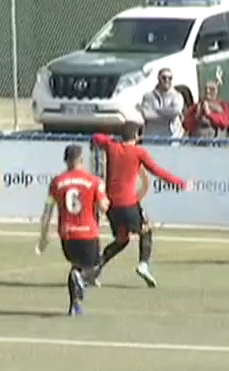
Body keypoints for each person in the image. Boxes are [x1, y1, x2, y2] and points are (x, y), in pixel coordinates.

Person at [90, 122, 190, 288]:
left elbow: (95, 137)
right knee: (146, 229)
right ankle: (143, 264)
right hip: (128, 203)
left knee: (122, 239)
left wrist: (111, 139)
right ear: (136, 136)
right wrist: (180, 183)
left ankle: (94, 270)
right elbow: (157, 171)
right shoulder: (138, 152)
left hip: (111, 206)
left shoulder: (112, 147)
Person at [36, 145, 109, 316]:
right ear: (81, 159)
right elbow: (103, 206)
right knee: (94, 266)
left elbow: (47, 211)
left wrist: (43, 236)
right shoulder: (93, 181)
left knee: (75, 266)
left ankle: (74, 306)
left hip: (67, 233)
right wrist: (105, 196)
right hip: (87, 231)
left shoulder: (56, 182)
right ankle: (81, 279)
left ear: (65, 160)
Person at [141, 68, 185, 138]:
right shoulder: (148, 96)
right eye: (164, 78)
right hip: (152, 137)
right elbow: (147, 114)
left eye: (170, 78)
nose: (167, 80)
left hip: (172, 137)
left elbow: (175, 112)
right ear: (158, 79)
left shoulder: (177, 96)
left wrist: (157, 110)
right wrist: (168, 115)